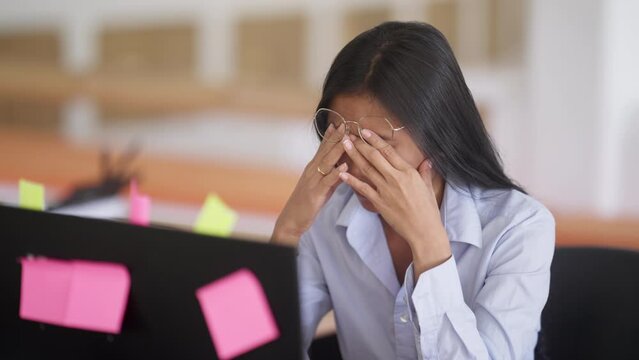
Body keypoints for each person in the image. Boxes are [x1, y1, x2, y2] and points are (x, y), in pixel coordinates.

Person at [271, 21, 554, 360]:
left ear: (439, 137)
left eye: (377, 144)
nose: (354, 163)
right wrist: (286, 232)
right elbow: (235, 343)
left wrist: (429, 246)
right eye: (338, 137)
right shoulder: (327, 213)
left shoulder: (521, 228)